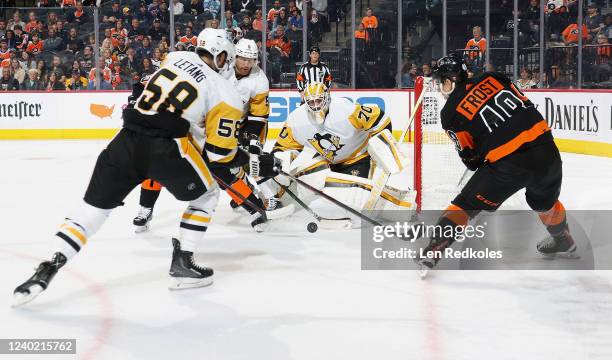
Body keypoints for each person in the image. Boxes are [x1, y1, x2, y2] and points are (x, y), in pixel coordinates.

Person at [12, 29, 278, 307]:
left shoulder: (174, 57)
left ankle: (50, 265)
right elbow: (219, 156)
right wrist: (253, 160)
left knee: (91, 211)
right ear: (223, 57)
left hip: (125, 139)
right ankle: (184, 263)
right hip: (166, 148)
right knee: (208, 194)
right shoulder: (227, 93)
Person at [415, 54, 574, 271]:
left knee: (466, 205)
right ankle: (563, 239)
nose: (439, 87)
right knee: (543, 203)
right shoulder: (495, 77)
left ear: (449, 80)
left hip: (510, 165)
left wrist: (481, 153)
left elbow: (471, 160)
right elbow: (523, 106)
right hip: (548, 153)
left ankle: (435, 248)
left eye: (440, 81)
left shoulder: (450, 112)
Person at [132, 39, 280, 232]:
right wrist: (140, 90)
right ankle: (146, 208)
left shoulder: (258, 80)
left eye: (250, 60)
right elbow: (158, 79)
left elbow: (258, 115)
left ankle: (259, 204)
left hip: (237, 124)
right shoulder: (214, 67)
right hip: (199, 124)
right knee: (158, 163)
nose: (246, 64)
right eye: (242, 59)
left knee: (229, 166)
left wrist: (251, 139)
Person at [268, 82, 414, 219]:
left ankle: (403, 206)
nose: (315, 106)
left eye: (319, 101)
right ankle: (282, 200)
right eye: (311, 102)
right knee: (312, 174)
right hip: (329, 162)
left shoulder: (345, 109)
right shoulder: (296, 120)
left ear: (327, 97)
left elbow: (380, 119)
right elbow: (282, 148)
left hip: (358, 158)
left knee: (362, 201)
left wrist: (384, 146)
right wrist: (278, 165)